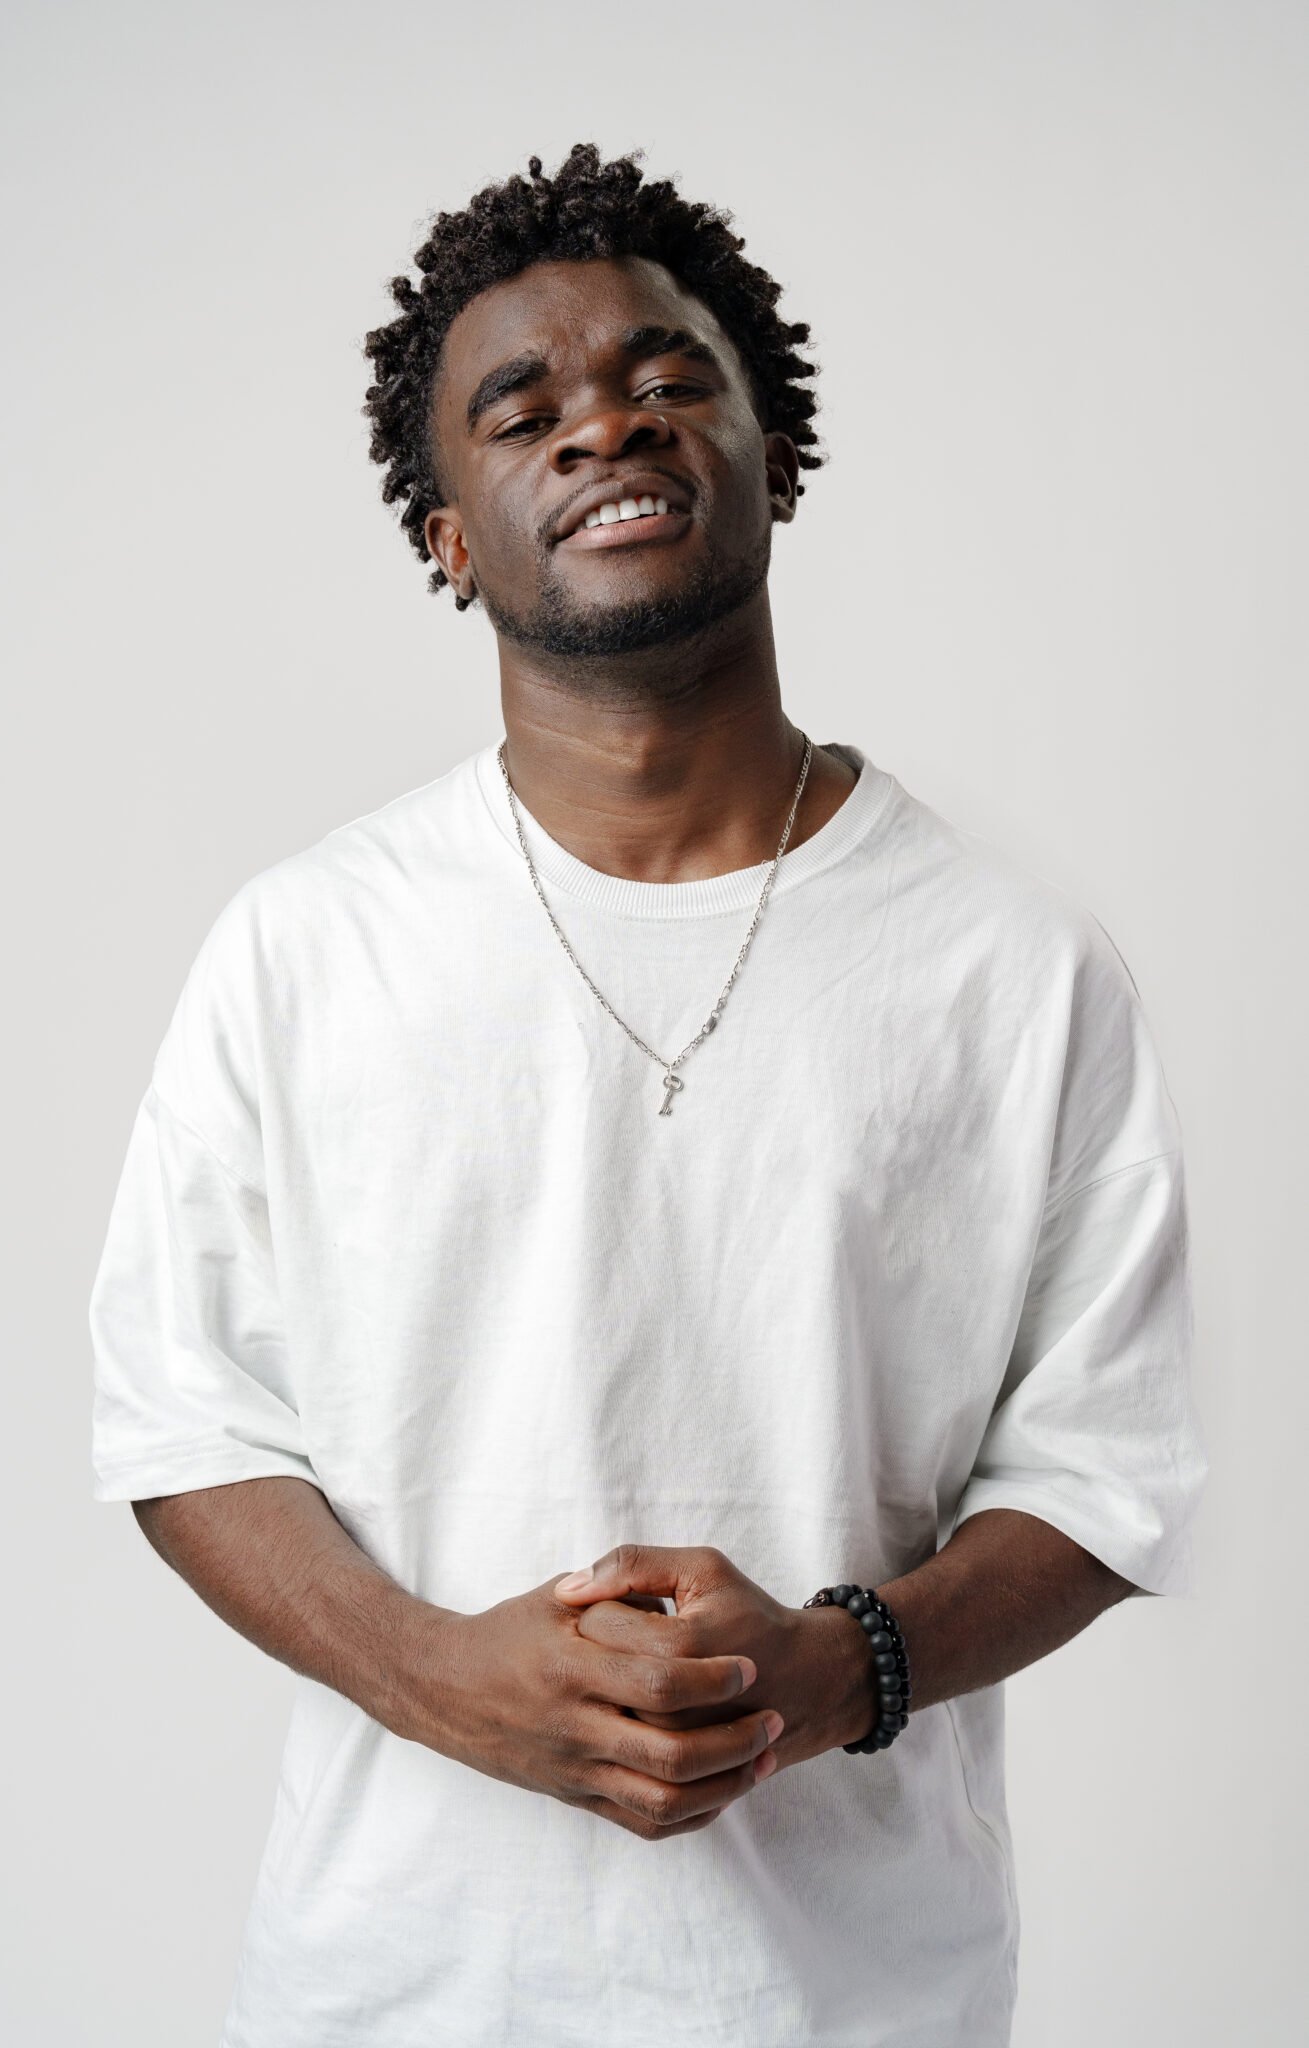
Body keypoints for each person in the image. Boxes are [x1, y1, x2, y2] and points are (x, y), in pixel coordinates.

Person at [88, 141, 1209, 2048]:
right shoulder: (305, 946)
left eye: (668, 378)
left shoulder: (1014, 965)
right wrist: (441, 1677)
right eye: (521, 412)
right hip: (394, 1985)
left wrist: (835, 1666)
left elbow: (1108, 1472)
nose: (604, 425)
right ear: (449, 534)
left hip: (856, 1995)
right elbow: (179, 1419)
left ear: (774, 451)